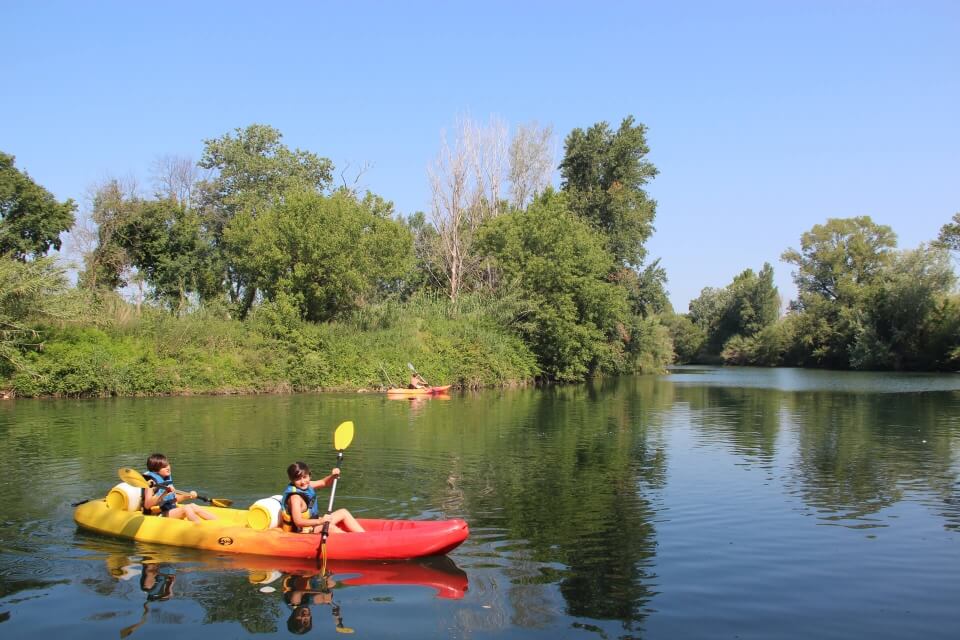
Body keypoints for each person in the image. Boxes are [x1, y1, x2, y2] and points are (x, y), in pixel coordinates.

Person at [281, 461, 365, 534]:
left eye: (305, 477)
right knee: (330, 527)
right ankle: (358, 542)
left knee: (343, 512)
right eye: (298, 479)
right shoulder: (295, 498)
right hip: (302, 530)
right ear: (291, 480)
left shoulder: (308, 485)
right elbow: (298, 522)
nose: (303, 482)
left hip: (313, 524)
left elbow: (324, 482)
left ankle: (364, 536)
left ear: (309, 476)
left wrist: (332, 476)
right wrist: (320, 521)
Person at [142, 453, 216, 523]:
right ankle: (199, 527)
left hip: (170, 510)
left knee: (193, 506)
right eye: (163, 467)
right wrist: (164, 493)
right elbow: (147, 505)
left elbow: (173, 500)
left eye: (167, 465)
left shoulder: (166, 479)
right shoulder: (150, 483)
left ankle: (217, 522)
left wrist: (186, 496)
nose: (167, 468)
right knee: (186, 508)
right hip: (157, 515)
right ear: (155, 471)